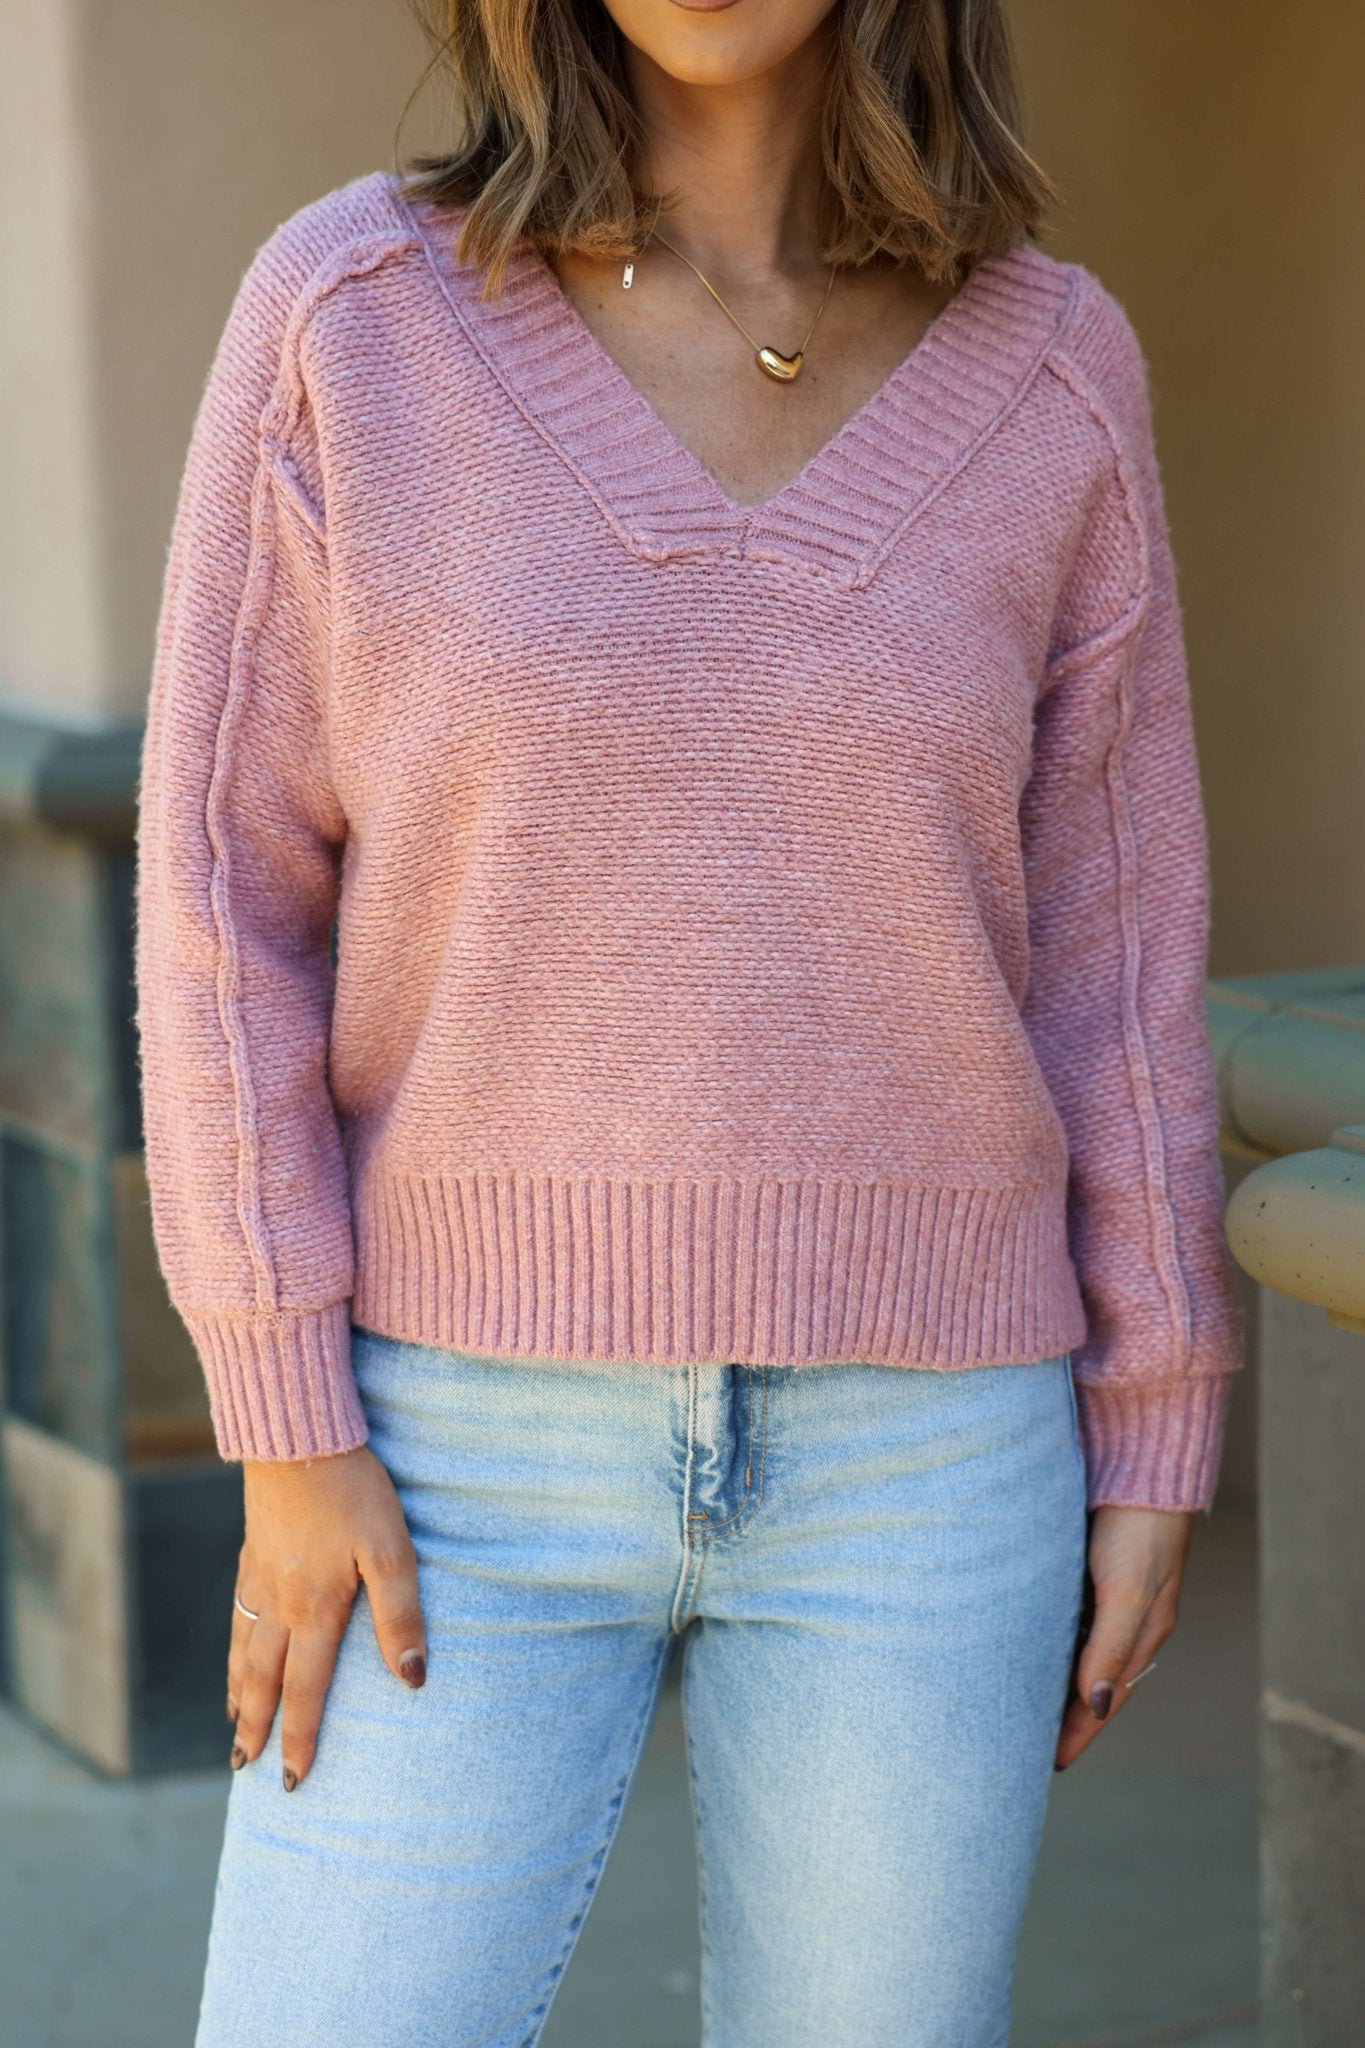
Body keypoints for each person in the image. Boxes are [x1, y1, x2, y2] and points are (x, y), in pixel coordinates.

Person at [133, 2, 1245, 2042]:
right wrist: (282, 1417)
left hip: (928, 1457)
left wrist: (1156, 1403)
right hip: (442, 1445)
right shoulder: (349, 320)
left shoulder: (1056, 371)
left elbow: (1113, 959)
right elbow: (222, 910)